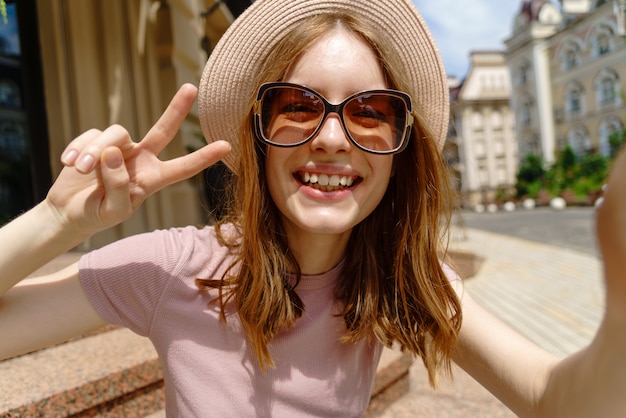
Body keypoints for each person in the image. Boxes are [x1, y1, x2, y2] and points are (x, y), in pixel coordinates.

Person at [1, 0, 625, 416]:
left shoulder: (402, 281)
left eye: (369, 112)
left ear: (400, 150)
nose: (331, 137)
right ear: (259, 135)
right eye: (298, 105)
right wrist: (57, 222)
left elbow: (554, 399)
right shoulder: (175, 267)